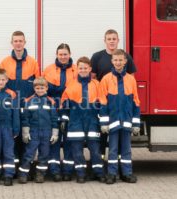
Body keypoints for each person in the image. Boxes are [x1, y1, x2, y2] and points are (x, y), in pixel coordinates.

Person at [91, 29, 137, 163]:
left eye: (114, 39)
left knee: (118, 134)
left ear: (118, 41)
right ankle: (100, 162)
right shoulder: (97, 57)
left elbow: (131, 79)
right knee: (102, 134)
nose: (112, 41)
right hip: (103, 102)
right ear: (104, 41)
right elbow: (92, 79)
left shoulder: (126, 57)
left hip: (120, 102)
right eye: (109, 39)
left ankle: (117, 162)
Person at [60, 56, 105, 183]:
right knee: (77, 151)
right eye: (80, 68)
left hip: (93, 122)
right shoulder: (71, 84)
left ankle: (99, 173)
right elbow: (64, 104)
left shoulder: (97, 84)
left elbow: (103, 103)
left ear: (90, 68)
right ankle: (81, 174)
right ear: (77, 69)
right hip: (75, 121)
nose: (83, 70)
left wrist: (103, 121)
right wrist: (64, 119)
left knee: (95, 150)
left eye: (85, 68)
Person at [99, 49, 140, 184]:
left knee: (126, 149)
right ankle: (112, 174)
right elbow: (103, 102)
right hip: (113, 121)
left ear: (125, 61)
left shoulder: (131, 79)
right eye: (115, 60)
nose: (118, 62)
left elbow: (135, 102)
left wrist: (136, 124)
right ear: (112, 61)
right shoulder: (106, 79)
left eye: (120, 60)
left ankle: (127, 173)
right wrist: (104, 122)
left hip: (127, 121)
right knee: (113, 149)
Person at [0, 30, 40, 164]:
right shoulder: (4, 62)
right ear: (12, 43)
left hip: (27, 106)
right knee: (13, 136)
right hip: (10, 106)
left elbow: (38, 84)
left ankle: (26, 166)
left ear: (24, 42)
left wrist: (30, 100)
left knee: (27, 136)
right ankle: (14, 166)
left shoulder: (33, 62)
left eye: (20, 41)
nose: (18, 43)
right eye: (15, 41)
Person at [43, 43, 77, 182]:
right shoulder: (49, 70)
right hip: (54, 109)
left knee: (69, 141)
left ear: (70, 54)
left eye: (65, 54)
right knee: (54, 141)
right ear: (57, 55)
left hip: (72, 109)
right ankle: (55, 171)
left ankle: (68, 171)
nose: (63, 57)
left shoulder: (76, 70)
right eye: (60, 54)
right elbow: (43, 90)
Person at [18, 77, 59, 184]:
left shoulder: (51, 102)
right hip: (33, 132)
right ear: (34, 88)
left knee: (44, 155)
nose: (40, 90)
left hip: (47, 132)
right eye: (37, 88)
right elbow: (25, 118)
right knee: (28, 154)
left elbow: (54, 119)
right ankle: (23, 175)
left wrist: (55, 134)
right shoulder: (29, 101)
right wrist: (25, 133)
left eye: (42, 88)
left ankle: (40, 174)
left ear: (46, 88)